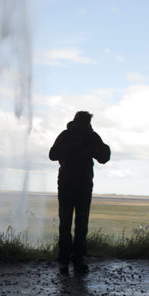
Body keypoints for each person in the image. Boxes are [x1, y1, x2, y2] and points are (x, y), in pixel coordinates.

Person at [49, 111, 110, 274]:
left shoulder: (83, 136)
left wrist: (89, 149)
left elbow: (104, 156)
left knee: (72, 223)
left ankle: (69, 260)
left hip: (72, 184)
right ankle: (72, 259)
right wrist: (80, 148)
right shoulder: (72, 136)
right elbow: (53, 154)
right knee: (74, 224)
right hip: (75, 184)